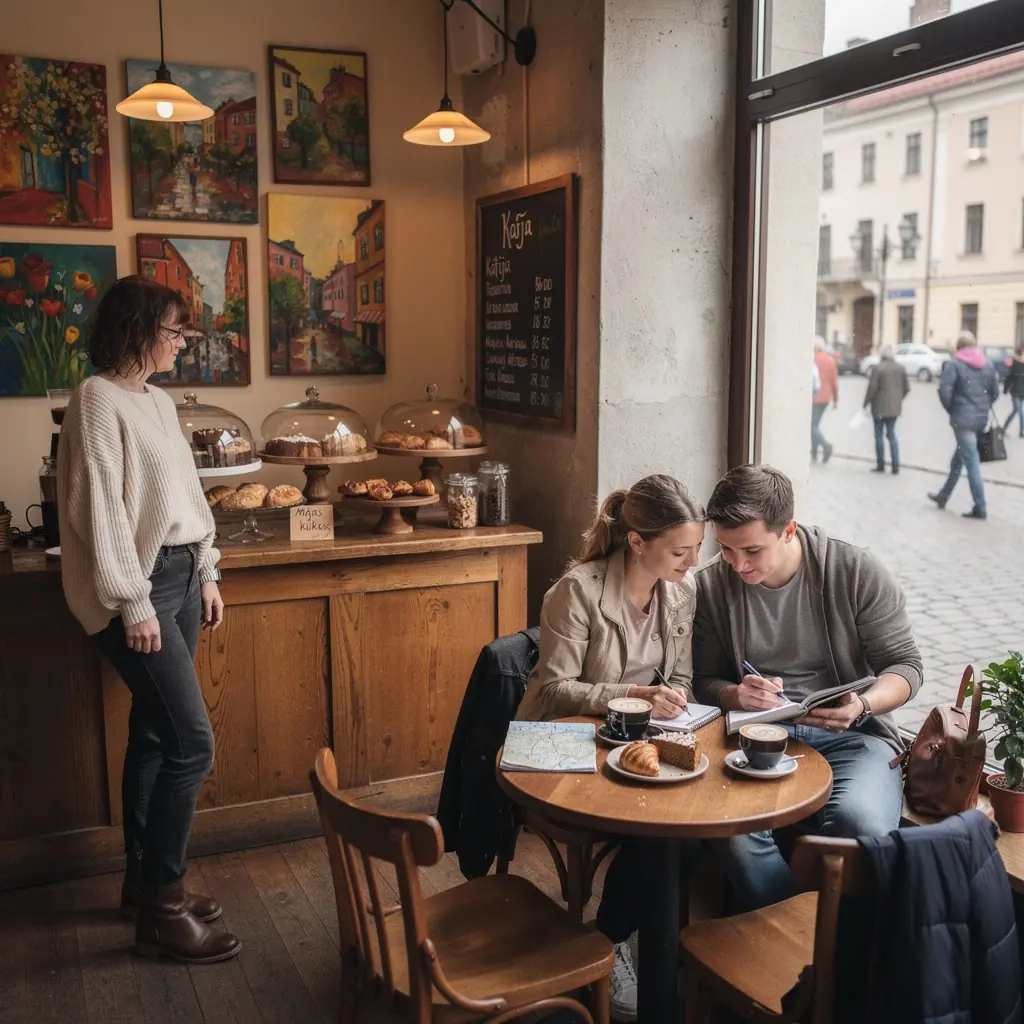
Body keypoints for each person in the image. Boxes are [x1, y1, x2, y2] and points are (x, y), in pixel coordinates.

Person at [57, 276, 241, 964]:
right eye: (173, 330)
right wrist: (132, 600)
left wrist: (210, 568)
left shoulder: (159, 401)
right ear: (135, 330)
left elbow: (188, 495)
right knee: (193, 742)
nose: (182, 342)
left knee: (157, 735)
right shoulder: (96, 399)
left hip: (184, 577)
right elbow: (97, 510)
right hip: (138, 587)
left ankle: (142, 883)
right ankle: (164, 907)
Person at [517, 475, 706, 1021]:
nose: (692, 562)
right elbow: (553, 692)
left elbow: (683, 678)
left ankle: (618, 939)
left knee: (686, 839)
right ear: (637, 542)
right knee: (661, 837)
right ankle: (614, 942)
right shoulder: (577, 590)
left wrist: (673, 704)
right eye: (680, 550)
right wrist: (634, 696)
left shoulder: (681, 593)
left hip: (637, 746)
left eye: (696, 548)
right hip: (568, 743)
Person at [693, 464, 921, 911]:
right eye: (725, 549)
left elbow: (906, 666)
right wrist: (735, 695)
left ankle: (807, 945)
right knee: (732, 831)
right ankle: (804, 938)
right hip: (755, 737)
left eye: (752, 550)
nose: (737, 565)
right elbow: (704, 680)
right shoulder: (712, 585)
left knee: (862, 828)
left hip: (855, 736)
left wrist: (863, 705)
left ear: (788, 530)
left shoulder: (853, 569)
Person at [929, 330, 999, 520]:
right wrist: (982, 407)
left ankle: (980, 506)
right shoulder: (987, 364)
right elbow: (994, 393)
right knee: (958, 460)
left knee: (971, 461)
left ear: (959, 346)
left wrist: (953, 410)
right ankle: (943, 496)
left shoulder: (955, 364)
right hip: (980, 419)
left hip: (963, 420)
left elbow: (945, 391)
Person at [863, 344, 909, 474]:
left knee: (878, 435)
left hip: (879, 408)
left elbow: (872, 388)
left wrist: (865, 403)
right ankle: (895, 465)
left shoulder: (878, 368)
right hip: (894, 408)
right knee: (892, 434)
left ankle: (881, 464)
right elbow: (907, 388)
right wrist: (898, 399)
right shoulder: (900, 368)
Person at [811, 337, 839, 463]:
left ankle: (825, 446)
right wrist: (836, 399)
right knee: (815, 425)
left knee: (812, 426)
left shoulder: (812, 358)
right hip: (826, 398)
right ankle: (814, 453)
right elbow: (834, 382)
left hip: (814, 396)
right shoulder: (830, 360)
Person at [1004, 346, 1024, 438]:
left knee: (1018, 410)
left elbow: (1009, 378)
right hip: (1016, 391)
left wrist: (1006, 389)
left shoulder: (1015, 364)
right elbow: (1009, 378)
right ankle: (1005, 429)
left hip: (1019, 391)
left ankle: (1021, 431)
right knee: (1018, 410)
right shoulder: (1016, 364)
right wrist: (1006, 389)